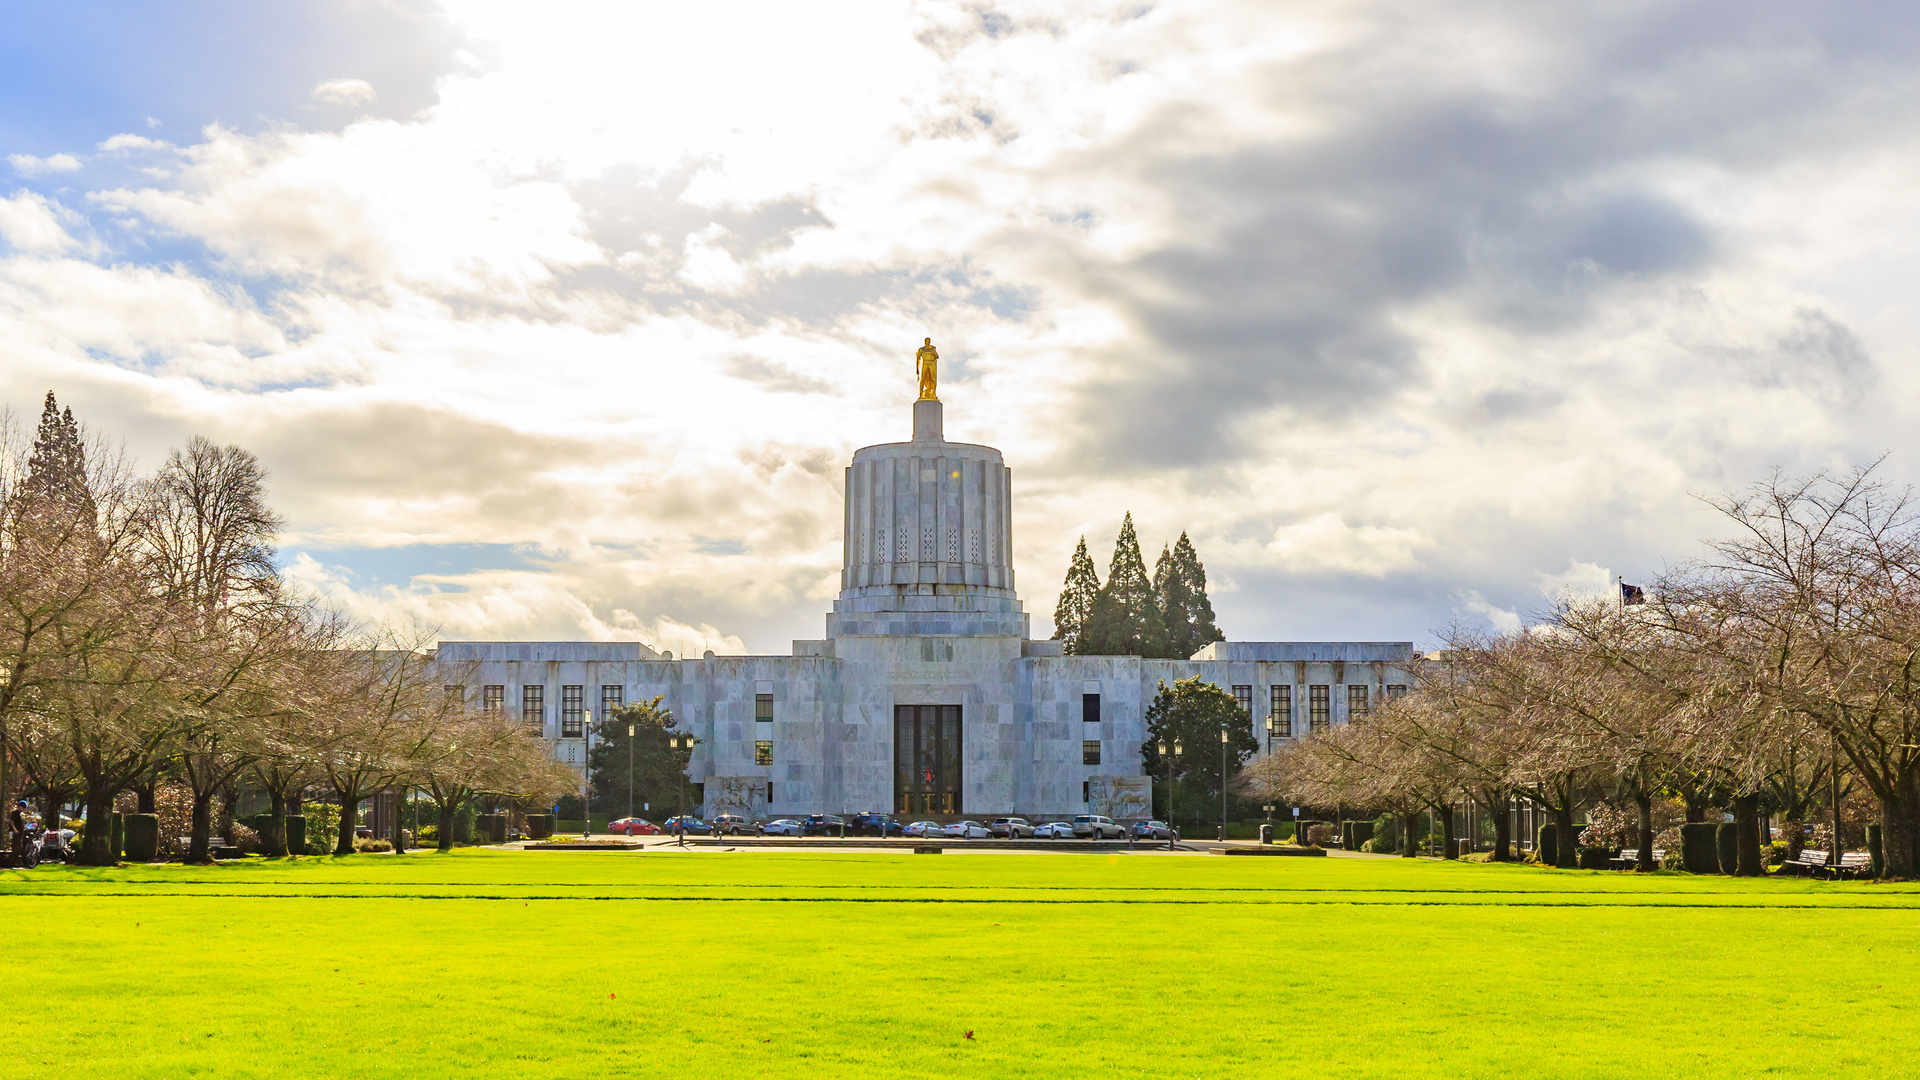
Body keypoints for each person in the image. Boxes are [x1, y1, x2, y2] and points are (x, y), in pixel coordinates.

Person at [10, 800, 30, 864]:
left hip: (20, 832)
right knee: (16, 847)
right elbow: (11, 821)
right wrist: (14, 829)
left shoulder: (20, 814)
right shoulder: (15, 813)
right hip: (16, 833)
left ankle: (17, 860)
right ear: (19, 806)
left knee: (20, 846)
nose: (22, 809)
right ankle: (13, 861)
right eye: (22, 807)